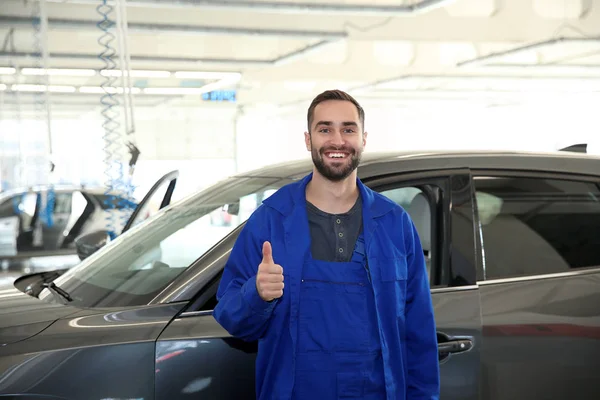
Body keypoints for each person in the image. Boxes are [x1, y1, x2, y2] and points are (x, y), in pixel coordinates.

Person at [214, 89, 440, 400]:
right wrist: (257, 293)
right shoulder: (270, 220)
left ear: (363, 139)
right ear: (309, 140)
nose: (337, 140)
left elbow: (419, 331)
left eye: (348, 129)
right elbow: (230, 317)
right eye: (325, 129)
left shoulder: (395, 224)